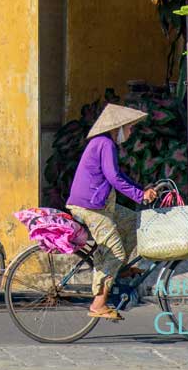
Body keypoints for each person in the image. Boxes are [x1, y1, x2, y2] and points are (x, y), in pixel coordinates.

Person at [66, 103, 158, 321]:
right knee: (114, 251)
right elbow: (114, 178)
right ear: (118, 128)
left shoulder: (104, 143)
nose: (131, 132)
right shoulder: (105, 144)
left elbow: (117, 174)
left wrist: (141, 189)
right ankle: (98, 303)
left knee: (133, 222)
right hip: (90, 206)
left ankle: (119, 269)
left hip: (100, 204)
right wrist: (139, 196)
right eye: (129, 128)